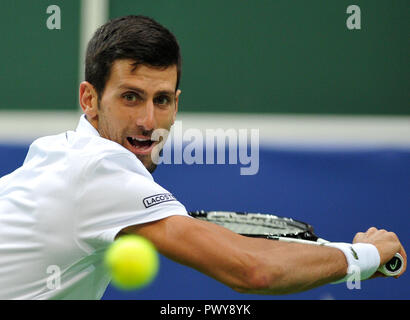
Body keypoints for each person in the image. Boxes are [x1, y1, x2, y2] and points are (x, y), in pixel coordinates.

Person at [0, 15, 406, 300]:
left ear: (176, 104)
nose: (147, 121)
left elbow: (248, 255)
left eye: (161, 101)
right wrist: (365, 256)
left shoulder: (57, 153)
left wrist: (342, 252)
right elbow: (254, 270)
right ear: (89, 99)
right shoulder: (99, 168)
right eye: (130, 97)